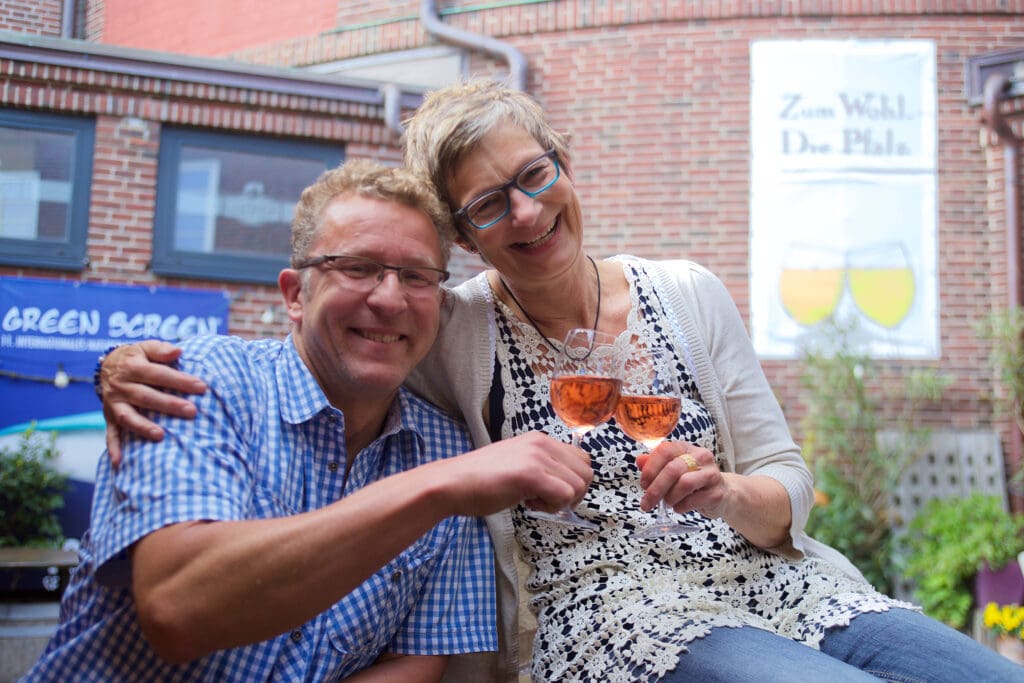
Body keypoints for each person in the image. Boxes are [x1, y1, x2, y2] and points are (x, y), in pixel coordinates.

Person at [95, 80, 1024, 682]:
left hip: (783, 582)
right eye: (488, 204)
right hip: (613, 615)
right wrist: (123, 363)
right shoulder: (453, 324)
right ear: (466, 236)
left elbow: (787, 478)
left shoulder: (688, 293)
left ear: (565, 166)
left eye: (534, 176)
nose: (527, 211)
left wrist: (728, 491)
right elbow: (348, 324)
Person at [24, 158, 594, 683]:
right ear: (295, 294)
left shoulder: (447, 444)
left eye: (418, 276)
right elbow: (176, 610)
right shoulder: (200, 381)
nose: (390, 299)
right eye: (359, 268)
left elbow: (418, 661)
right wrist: (435, 489)